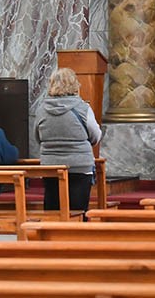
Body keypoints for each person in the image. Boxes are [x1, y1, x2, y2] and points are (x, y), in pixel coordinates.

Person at [34, 67, 102, 212]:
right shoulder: (83, 108)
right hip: (79, 165)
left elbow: (37, 137)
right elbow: (96, 135)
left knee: (53, 211)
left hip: (51, 166)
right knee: (78, 211)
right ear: (75, 84)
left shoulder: (41, 109)